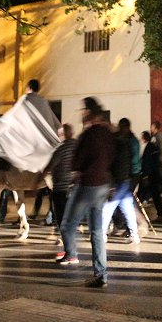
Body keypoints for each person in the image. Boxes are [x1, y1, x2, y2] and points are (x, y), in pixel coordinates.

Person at [56, 97, 116, 288]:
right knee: (97, 231)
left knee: (67, 225)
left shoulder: (88, 135)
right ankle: (101, 274)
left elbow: (76, 163)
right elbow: (114, 158)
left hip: (87, 185)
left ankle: (71, 254)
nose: (82, 114)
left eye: (83, 111)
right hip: (102, 185)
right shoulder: (108, 134)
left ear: (89, 113)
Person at [101, 118, 141, 245]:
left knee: (108, 208)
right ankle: (134, 235)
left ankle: (101, 235)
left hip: (119, 181)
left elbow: (116, 165)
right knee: (127, 208)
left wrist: (112, 184)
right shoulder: (128, 142)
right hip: (126, 180)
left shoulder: (118, 144)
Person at [44, 123, 78, 237]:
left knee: (61, 216)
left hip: (61, 188)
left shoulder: (61, 149)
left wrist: (41, 176)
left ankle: (66, 240)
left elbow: (50, 166)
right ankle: (70, 238)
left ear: (63, 134)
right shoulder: (78, 146)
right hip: (75, 187)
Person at [140, 130, 162, 222]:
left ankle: (138, 217)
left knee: (143, 195)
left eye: (141, 137)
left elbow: (147, 162)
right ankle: (160, 215)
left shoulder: (148, 148)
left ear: (144, 138)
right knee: (155, 195)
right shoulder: (153, 147)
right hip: (155, 174)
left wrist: (145, 176)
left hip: (150, 175)